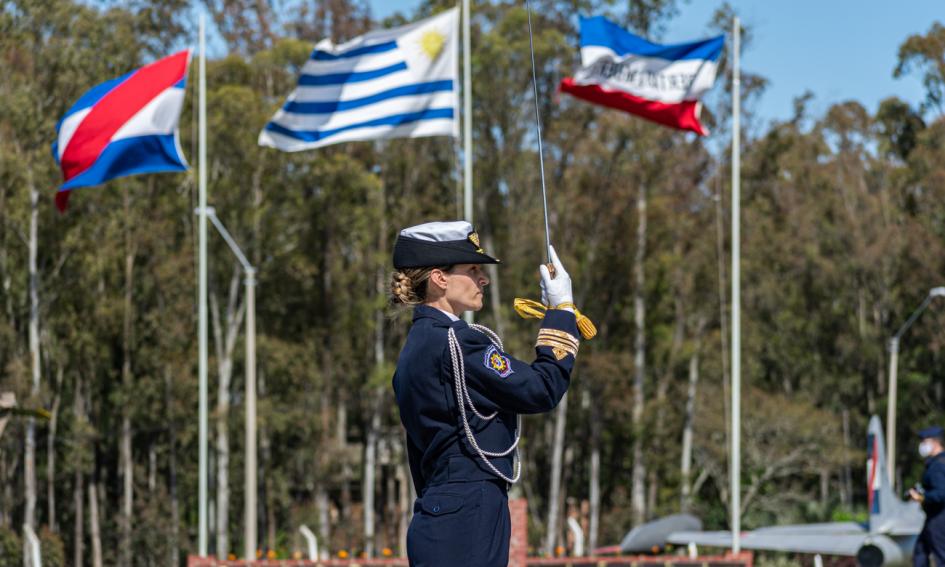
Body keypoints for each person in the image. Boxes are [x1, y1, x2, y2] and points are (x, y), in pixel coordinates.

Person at [390, 220, 582, 567]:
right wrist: (561, 313)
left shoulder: (414, 348)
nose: (484, 279)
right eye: (473, 269)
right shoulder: (459, 343)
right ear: (440, 278)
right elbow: (541, 389)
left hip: (439, 509)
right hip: (468, 512)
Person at [911, 425, 945, 567]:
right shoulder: (937, 463)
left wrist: (922, 497)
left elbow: (941, 493)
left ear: (935, 443)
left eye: (925, 441)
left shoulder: (938, 465)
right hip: (934, 517)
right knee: (920, 551)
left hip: (939, 517)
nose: (922, 445)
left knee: (941, 556)